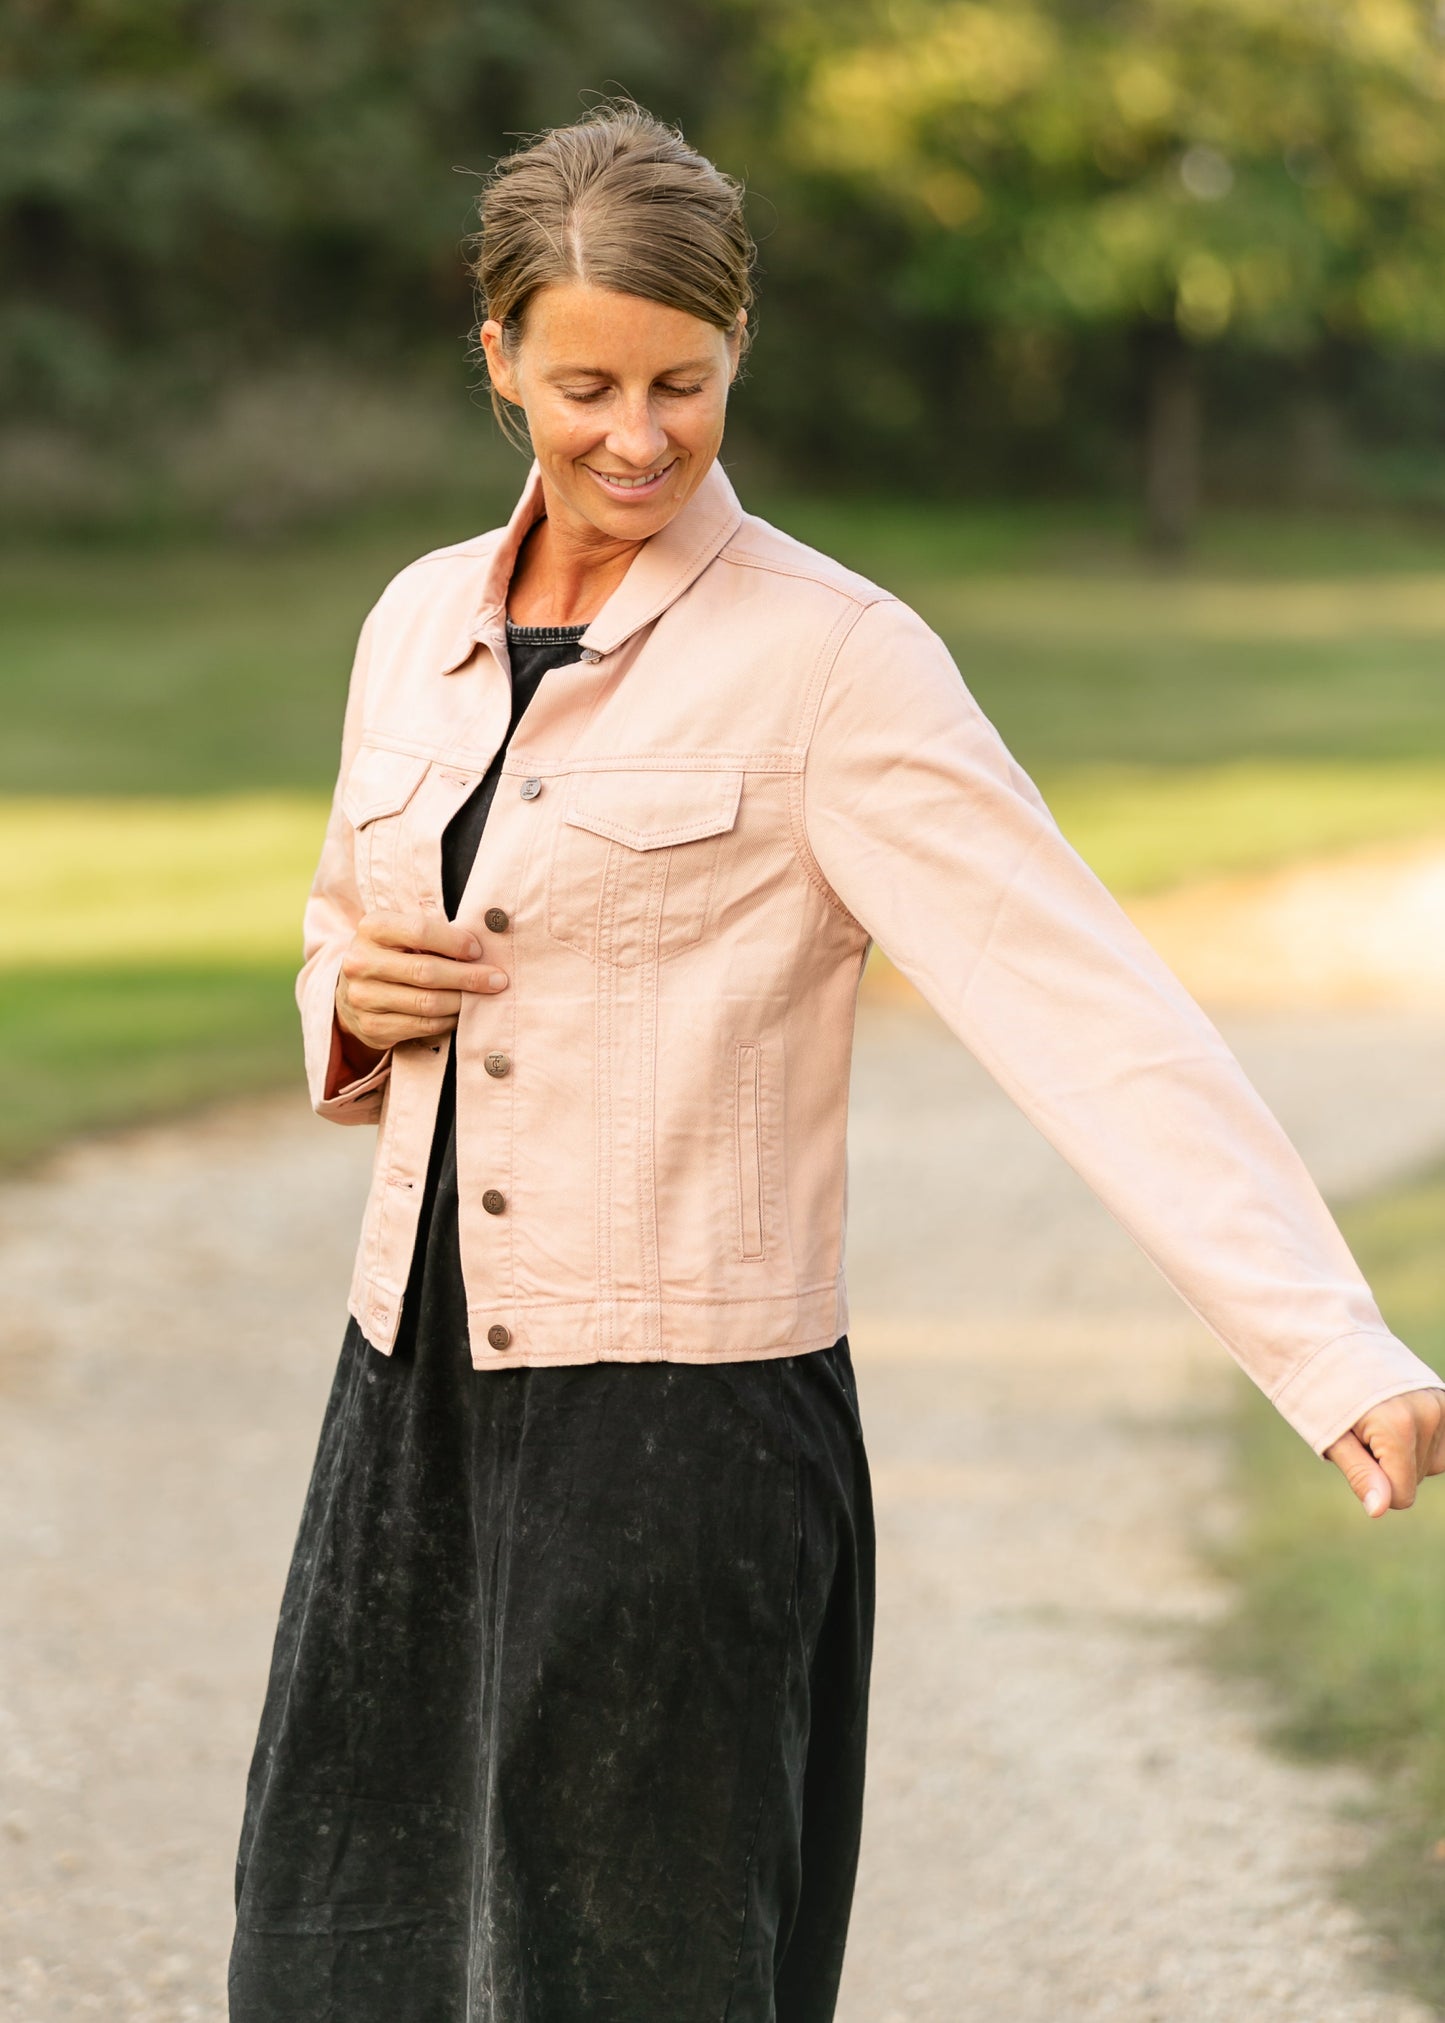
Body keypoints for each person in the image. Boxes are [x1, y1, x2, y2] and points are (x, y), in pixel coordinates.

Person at [227, 99, 1445, 2023]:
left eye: (684, 386)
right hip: (412, 1408)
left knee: (643, 1974)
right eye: (585, 385)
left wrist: (1323, 1341)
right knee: (344, 1949)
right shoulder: (410, 625)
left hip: (684, 1440)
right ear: (498, 362)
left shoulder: (837, 662)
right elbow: (339, 918)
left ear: (738, 360)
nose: (635, 437)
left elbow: (1085, 1004)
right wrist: (346, 1003)